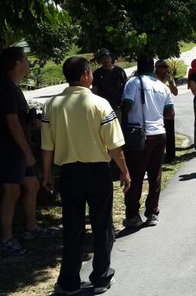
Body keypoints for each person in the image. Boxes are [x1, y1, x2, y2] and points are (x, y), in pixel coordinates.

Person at [41, 56, 131, 294]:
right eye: (90, 72)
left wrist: (47, 173)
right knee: (102, 226)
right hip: (97, 172)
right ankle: (101, 277)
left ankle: (69, 282)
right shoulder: (100, 104)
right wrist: (124, 171)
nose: (92, 75)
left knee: (72, 228)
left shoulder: (52, 105)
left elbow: (47, 146)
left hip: (69, 174)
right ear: (84, 76)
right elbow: (114, 146)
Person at [0, 47, 54, 256]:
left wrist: (32, 121)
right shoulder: (6, 87)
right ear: (17, 64)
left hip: (19, 148)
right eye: (26, 59)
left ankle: (31, 228)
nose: (29, 63)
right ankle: (6, 239)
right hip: (10, 149)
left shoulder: (14, 86)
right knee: (12, 192)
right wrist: (27, 152)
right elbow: (11, 123)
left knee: (33, 184)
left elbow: (18, 118)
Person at [122, 55, 174, 227]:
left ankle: (132, 216)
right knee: (155, 174)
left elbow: (127, 106)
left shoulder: (133, 83)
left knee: (136, 176)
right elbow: (170, 114)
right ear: (152, 68)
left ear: (137, 66)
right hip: (160, 134)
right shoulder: (162, 87)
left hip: (140, 135)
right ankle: (152, 213)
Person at [92, 48, 128, 118]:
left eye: (107, 57)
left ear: (111, 58)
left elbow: (126, 87)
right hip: (103, 107)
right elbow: (94, 90)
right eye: (103, 58)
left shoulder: (119, 71)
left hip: (117, 106)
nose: (105, 60)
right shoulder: (97, 73)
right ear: (100, 61)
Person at [154, 59, 178, 163]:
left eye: (166, 68)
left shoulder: (169, 78)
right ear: (157, 68)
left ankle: (170, 156)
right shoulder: (153, 78)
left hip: (167, 109)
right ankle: (158, 156)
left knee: (169, 133)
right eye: (163, 68)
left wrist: (171, 82)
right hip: (156, 110)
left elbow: (176, 92)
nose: (166, 70)